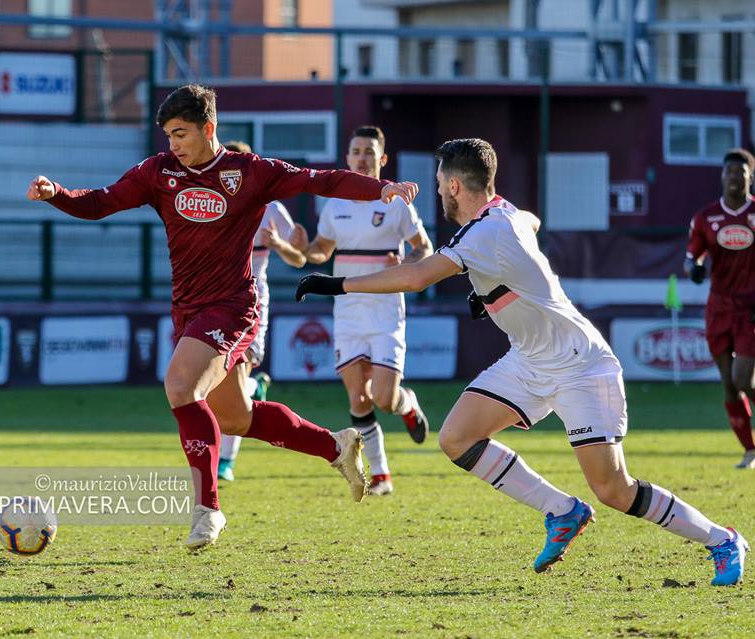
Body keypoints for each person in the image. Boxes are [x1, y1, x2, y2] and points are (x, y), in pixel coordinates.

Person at [296, 138, 748, 586]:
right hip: (529, 361)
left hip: (579, 365)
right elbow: (531, 221)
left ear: (454, 186)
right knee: (456, 438)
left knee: (614, 489)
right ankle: (562, 511)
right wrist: (491, 287)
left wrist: (335, 285)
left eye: (438, 185)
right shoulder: (504, 213)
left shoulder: (483, 233)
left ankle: (722, 539)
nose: (436, 193)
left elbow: (415, 276)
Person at [27, 84, 419, 550]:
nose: (173, 145)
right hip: (189, 310)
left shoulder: (249, 172)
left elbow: (322, 181)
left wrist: (382, 189)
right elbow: (101, 202)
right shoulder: (159, 172)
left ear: (208, 128)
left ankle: (207, 510)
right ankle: (335, 446)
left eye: (181, 134)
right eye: (168, 135)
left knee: (181, 388)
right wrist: (58, 194)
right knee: (236, 418)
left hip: (233, 307)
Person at [295, 125, 433, 496]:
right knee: (358, 397)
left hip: (386, 310)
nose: (362, 157)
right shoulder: (335, 203)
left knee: (383, 398)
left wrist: (406, 264)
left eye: (369, 152)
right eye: (356, 151)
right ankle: (382, 475)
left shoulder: (397, 202)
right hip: (348, 311)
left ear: (382, 159)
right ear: (347, 157)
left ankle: (407, 404)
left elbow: (425, 249)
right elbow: (321, 251)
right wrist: (302, 249)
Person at [216, 140, 308, 483]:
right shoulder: (209, 203)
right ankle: (254, 391)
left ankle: (226, 461)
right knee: (222, 386)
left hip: (252, 303)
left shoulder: (269, 208)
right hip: (213, 301)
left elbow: (299, 258)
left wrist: (283, 243)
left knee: (232, 386)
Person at [684, 148, 755, 469]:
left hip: (750, 310)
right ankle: (750, 450)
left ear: (749, 177)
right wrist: (694, 269)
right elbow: (691, 257)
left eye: (740, 173)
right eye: (729, 172)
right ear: (722, 176)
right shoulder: (705, 217)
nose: (734, 178)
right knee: (728, 384)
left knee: (742, 380)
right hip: (719, 309)